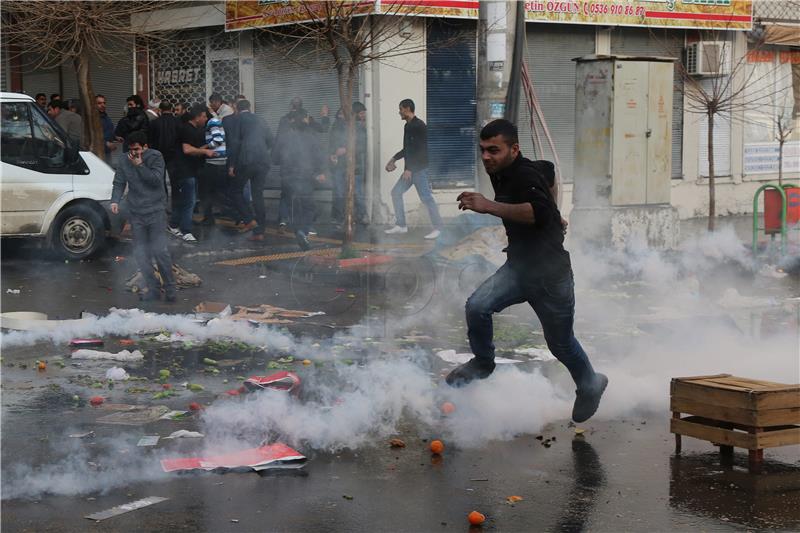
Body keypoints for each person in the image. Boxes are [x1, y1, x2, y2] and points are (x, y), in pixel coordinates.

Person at [446, 119, 608, 424]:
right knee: (477, 306)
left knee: (560, 343)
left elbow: (535, 211)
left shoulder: (522, 174)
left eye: (494, 150)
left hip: (551, 276)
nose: (486, 157)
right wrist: (555, 213)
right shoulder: (509, 169)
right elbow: (548, 170)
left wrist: (488, 205)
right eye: (482, 150)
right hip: (519, 269)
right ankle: (483, 363)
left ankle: (591, 383)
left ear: (514, 149)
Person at [110, 130, 176, 303]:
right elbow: (119, 182)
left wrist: (140, 165)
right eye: (132, 150)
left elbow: (155, 180)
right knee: (141, 253)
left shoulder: (156, 157)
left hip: (155, 211)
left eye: (138, 150)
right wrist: (115, 200)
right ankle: (153, 289)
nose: (134, 154)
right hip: (136, 212)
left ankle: (170, 289)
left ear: (146, 147)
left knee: (160, 251)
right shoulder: (124, 159)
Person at [384, 98, 442, 240]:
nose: (399, 112)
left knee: (426, 198)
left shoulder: (419, 126)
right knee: (396, 193)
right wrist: (394, 158)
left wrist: (410, 169)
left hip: (419, 169)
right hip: (410, 170)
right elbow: (408, 149)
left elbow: (421, 151)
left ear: (408, 108)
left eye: (401, 109)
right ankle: (401, 225)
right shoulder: (408, 126)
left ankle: (439, 228)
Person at [274, 109, 325, 250]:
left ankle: (299, 231)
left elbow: (275, 158)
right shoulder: (310, 137)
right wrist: (319, 172)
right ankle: (303, 231)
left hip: (287, 176)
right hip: (305, 176)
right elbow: (318, 155)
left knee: (294, 206)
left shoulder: (284, 137)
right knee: (308, 206)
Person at [226, 99, 273, 241]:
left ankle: (248, 219)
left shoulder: (237, 120)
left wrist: (232, 164)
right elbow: (271, 140)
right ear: (249, 107)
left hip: (246, 161)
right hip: (263, 161)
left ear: (237, 109)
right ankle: (260, 232)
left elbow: (234, 143)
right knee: (258, 195)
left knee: (235, 191)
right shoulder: (261, 119)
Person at [168, 103, 215, 243]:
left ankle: (173, 224)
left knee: (187, 200)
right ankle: (186, 231)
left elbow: (194, 148)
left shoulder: (194, 130)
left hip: (191, 170)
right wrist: (206, 151)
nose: (206, 119)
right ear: (197, 117)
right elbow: (187, 150)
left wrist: (208, 146)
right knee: (189, 201)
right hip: (184, 171)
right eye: (204, 116)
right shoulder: (186, 130)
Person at [149, 101, 181, 191]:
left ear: (160, 110)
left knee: (160, 181)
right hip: (174, 155)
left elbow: (150, 140)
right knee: (175, 181)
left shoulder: (154, 123)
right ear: (171, 109)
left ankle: (163, 201)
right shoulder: (178, 122)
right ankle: (176, 202)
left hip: (158, 155)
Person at [96, 94, 118, 164]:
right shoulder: (92, 119)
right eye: (99, 103)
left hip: (107, 153)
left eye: (104, 103)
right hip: (97, 154)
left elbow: (109, 130)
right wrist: (106, 143)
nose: (103, 105)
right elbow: (92, 136)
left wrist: (116, 137)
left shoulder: (106, 117)